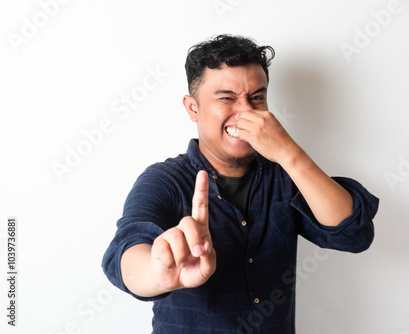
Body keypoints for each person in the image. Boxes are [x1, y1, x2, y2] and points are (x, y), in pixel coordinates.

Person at [102, 34, 379, 334]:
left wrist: (288, 153)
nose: (245, 111)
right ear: (192, 107)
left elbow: (353, 234)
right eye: (226, 98)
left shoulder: (285, 175)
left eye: (256, 97)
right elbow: (125, 254)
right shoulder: (165, 180)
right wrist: (159, 272)